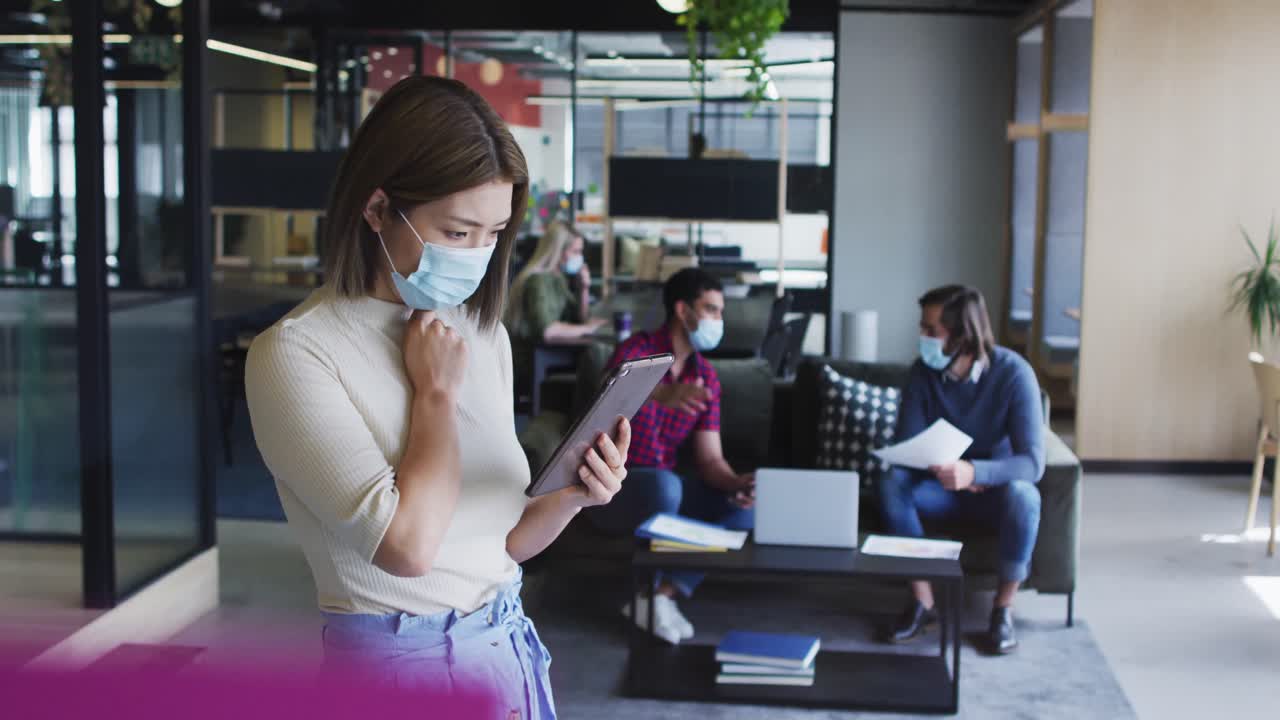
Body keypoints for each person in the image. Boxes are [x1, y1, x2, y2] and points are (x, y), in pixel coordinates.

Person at [244, 76, 631, 719]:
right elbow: (409, 549)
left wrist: (575, 497)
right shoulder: (295, 353)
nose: (479, 256)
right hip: (398, 673)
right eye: (457, 233)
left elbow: (500, 545)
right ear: (376, 210)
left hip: (507, 646)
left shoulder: (482, 334)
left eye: (494, 232)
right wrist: (434, 397)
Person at [586, 267, 755, 644]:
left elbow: (711, 461)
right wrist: (660, 394)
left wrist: (738, 483)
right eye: (711, 309)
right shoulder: (637, 350)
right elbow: (604, 400)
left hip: (667, 489)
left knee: (747, 507)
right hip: (611, 490)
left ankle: (660, 597)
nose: (718, 320)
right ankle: (650, 594)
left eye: (720, 312)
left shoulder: (706, 376)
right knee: (667, 486)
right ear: (683, 310)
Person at [877, 285, 1045, 655]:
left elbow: (1032, 463)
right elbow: (908, 443)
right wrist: (947, 471)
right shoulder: (923, 373)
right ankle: (924, 603)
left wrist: (975, 473)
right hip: (940, 488)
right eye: (922, 329)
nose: (922, 339)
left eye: (931, 331)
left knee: (1024, 495)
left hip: (994, 492)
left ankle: (1003, 610)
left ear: (963, 335)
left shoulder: (1014, 374)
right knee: (891, 482)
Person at [505, 221, 606, 374]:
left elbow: (580, 318)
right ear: (558, 251)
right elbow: (547, 330)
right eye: (576, 251)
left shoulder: (558, 278)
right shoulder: (538, 281)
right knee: (596, 355)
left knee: (597, 354)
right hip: (530, 359)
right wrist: (588, 329)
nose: (580, 258)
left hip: (546, 353)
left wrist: (583, 288)